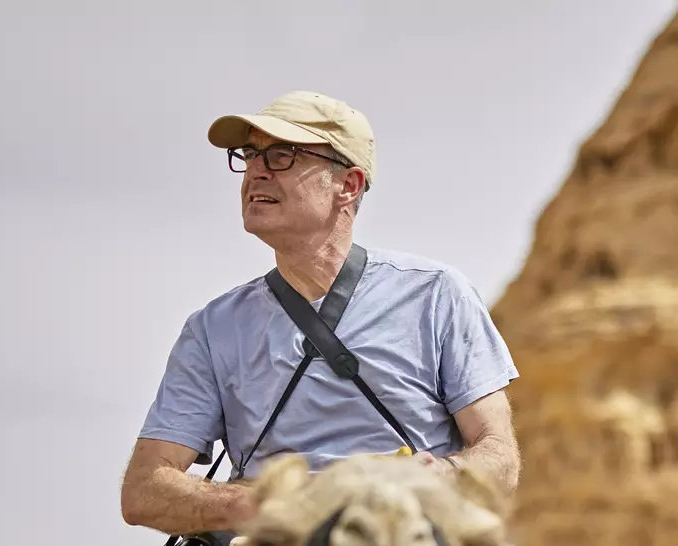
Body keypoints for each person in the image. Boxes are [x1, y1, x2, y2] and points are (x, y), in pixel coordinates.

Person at [119, 90, 521, 540]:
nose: (255, 170)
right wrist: (286, 505)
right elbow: (144, 491)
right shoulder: (213, 329)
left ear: (347, 185)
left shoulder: (435, 294)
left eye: (282, 155)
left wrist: (437, 479)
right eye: (249, 155)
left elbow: (499, 457)